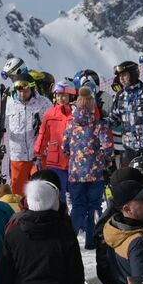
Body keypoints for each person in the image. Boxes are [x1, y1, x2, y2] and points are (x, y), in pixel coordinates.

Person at [61, 85, 112, 249]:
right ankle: (92, 240)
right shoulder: (98, 125)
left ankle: (70, 238)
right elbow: (108, 146)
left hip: (75, 173)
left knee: (77, 206)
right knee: (94, 207)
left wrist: (75, 158)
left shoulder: (70, 126)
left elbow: (64, 148)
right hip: (95, 173)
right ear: (91, 104)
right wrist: (107, 160)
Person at [1, 78, 49, 197]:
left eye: (25, 91)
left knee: (39, 188)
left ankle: (39, 211)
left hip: (37, 154)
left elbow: (51, 122)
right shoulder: (10, 103)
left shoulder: (43, 103)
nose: (22, 94)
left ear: (32, 89)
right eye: (19, 91)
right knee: (17, 190)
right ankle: (18, 212)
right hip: (17, 155)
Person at [33, 84, 74, 206]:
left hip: (74, 161)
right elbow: (43, 135)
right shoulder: (50, 114)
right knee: (57, 194)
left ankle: (76, 223)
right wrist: (37, 154)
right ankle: (59, 220)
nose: (61, 98)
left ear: (69, 96)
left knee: (75, 195)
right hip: (55, 161)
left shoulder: (76, 114)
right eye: (59, 95)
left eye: (64, 95)